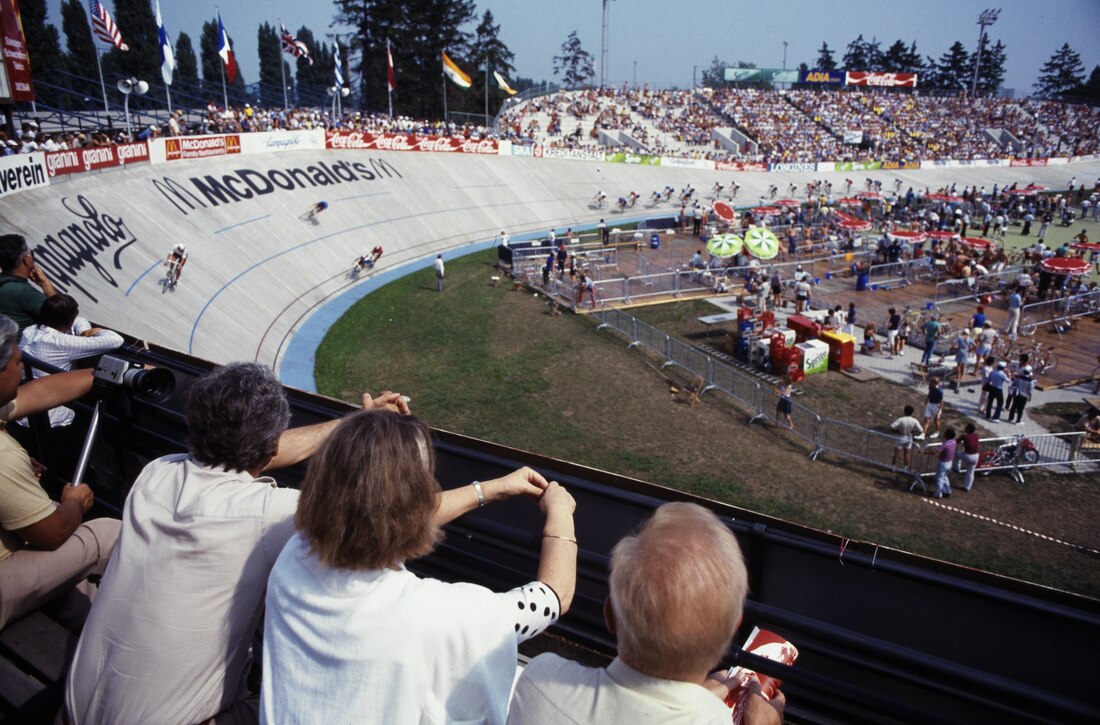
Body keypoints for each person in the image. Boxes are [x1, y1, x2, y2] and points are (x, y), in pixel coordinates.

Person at [65, 363, 411, 725]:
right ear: (269, 447)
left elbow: (260, 451)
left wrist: (354, 422)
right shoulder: (268, 514)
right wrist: (478, 491)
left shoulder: (158, 471)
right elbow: (395, 518)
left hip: (78, 709)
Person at [261, 411, 577, 724]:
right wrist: (560, 511)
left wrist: (489, 490)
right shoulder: (432, 615)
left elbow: (373, 514)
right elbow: (553, 596)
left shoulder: (295, 554)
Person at [509, 502, 784, 725]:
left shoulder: (538, 680)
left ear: (610, 616)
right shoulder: (717, 719)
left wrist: (699, 702)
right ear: (734, 627)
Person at [0, 314, 120, 631]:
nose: (22, 366)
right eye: (16, 362)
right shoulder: (3, 455)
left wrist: (102, 375)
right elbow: (51, 534)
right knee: (108, 532)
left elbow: (38, 394)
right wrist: (74, 502)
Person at [18, 294, 124, 428]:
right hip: (54, 421)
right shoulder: (62, 343)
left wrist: (83, 329)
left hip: (22, 411)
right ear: (69, 321)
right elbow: (115, 340)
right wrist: (92, 331)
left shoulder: (30, 331)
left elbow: (79, 319)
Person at [0, 234, 57, 332]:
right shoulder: (24, 292)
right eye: (30, 253)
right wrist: (45, 283)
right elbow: (63, 316)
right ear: (26, 259)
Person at [923, 426, 956, 498]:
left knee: (939, 479)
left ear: (947, 435)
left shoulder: (945, 444)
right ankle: (947, 491)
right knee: (945, 477)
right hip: (949, 462)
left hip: (943, 463)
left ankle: (938, 494)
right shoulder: (953, 442)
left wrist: (925, 452)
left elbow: (935, 452)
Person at [890, 404, 924, 469]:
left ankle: (893, 467)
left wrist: (897, 431)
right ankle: (905, 468)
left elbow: (892, 427)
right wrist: (913, 431)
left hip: (900, 437)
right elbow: (921, 430)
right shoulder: (914, 420)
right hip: (909, 437)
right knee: (907, 453)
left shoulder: (901, 419)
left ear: (904, 411)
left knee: (897, 453)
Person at [955, 424, 981, 492]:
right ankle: (967, 487)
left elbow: (957, 441)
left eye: (966, 428)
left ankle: (956, 468)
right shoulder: (976, 435)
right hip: (976, 456)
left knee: (956, 454)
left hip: (968, 456)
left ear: (968, 429)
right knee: (971, 472)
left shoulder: (965, 436)